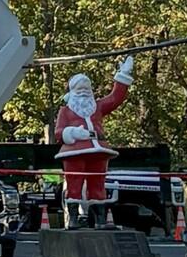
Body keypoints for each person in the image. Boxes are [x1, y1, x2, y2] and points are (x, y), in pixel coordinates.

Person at [54, 56, 135, 227]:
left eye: (86, 88)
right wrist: (73, 132)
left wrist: (123, 74)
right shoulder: (65, 111)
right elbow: (59, 133)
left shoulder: (97, 107)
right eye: (79, 88)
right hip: (74, 151)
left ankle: (100, 220)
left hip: (98, 150)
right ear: (72, 91)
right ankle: (73, 220)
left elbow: (115, 98)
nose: (83, 92)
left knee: (98, 185)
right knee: (74, 185)